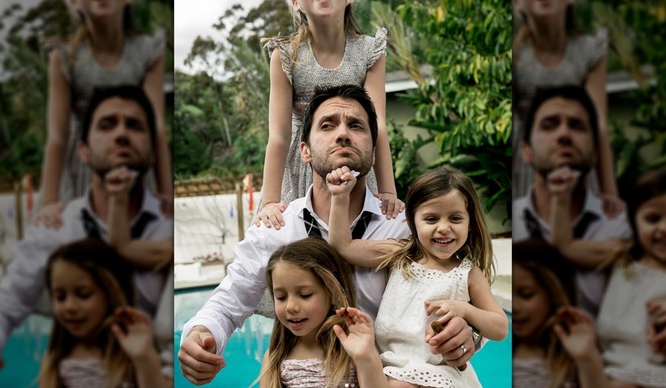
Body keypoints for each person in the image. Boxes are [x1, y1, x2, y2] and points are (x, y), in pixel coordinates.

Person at [178, 84, 479, 385]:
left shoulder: (407, 228)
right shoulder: (275, 229)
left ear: (373, 153)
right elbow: (228, 302)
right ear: (305, 151)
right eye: (327, 124)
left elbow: (461, 287)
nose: (343, 133)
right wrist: (200, 334)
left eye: (356, 125)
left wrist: (470, 334)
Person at [0, 85, 173, 385]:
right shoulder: (56, 227)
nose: (121, 134)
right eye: (107, 125)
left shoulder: (169, 228)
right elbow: (8, 300)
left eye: (134, 125)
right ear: (83, 151)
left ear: (151, 153)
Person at [511, 84, 666, 369]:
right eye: (550, 125)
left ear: (596, 151)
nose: (563, 134)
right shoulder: (511, 225)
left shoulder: (631, 228)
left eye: (576, 125)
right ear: (526, 151)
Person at [255, 0, 403, 230]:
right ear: (296, 2)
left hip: (354, 163)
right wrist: (270, 202)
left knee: (354, 241)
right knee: (298, 248)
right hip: (304, 164)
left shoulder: (369, 51)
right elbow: (279, 134)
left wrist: (389, 192)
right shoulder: (286, 55)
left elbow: (377, 125)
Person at [326, 166, 508, 387]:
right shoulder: (400, 254)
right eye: (431, 219)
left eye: (456, 218)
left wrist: (465, 310)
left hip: (439, 374)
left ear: (470, 224)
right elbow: (343, 246)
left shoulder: (467, 274)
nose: (443, 228)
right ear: (413, 221)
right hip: (391, 368)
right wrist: (339, 196)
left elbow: (500, 327)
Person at [550, 166, 666, 387]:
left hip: (663, 373)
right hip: (617, 367)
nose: (664, 228)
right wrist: (561, 199)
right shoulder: (621, 256)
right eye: (653, 219)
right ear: (635, 220)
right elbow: (564, 247)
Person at [35, 0, 172, 229]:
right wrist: (48, 202)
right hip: (84, 161)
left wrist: (165, 192)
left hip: (133, 157)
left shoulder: (147, 52)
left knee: (136, 233)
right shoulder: (64, 57)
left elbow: (156, 126)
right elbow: (57, 136)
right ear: (75, 1)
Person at [512, 0, 620, 216]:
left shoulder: (589, 51)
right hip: (529, 160)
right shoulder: (515, 56)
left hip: (575, 157)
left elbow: (599, 124)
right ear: (517, 2)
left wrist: (610, 195)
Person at [259, 237, 388, 388]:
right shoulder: (275, 358)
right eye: (281, 297)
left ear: (332, 292)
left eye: (305, 294)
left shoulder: (356, 348)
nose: (290, 307)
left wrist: (365, 358)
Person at [39, 239, 169, 388]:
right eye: (60, 297)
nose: (70, 306)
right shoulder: (54, 358)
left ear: (110, 293)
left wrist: (144, 358)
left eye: (83, 294)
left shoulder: (130, 353)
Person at [512, 239, 608, 388]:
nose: (514, 307)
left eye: (526, 295)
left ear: (553, 294)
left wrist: (587, 358)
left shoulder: (573, 354)